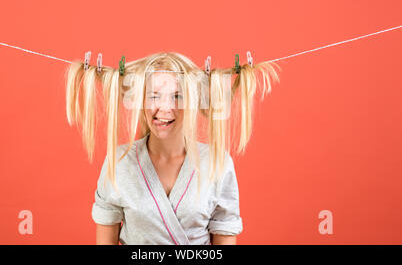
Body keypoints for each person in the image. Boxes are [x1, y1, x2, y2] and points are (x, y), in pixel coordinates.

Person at [65, 52, 280, 244]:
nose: (165, 108)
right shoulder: (119, 162)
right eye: (154, 95)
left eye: (177, 96)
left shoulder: (217, 163)